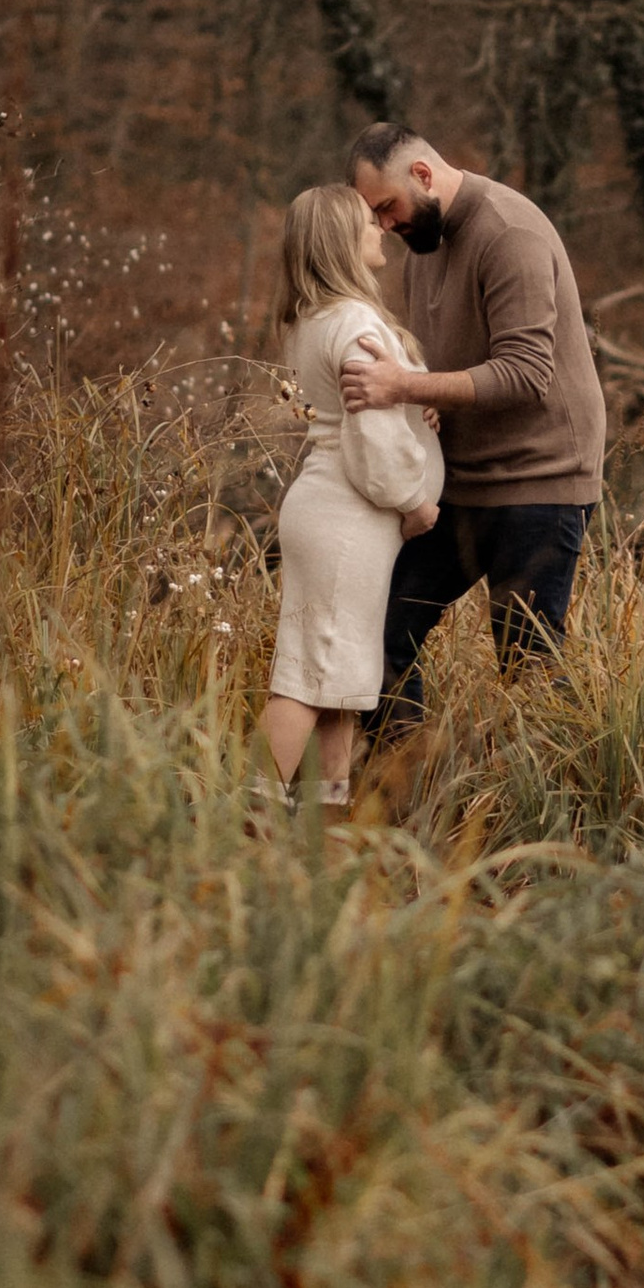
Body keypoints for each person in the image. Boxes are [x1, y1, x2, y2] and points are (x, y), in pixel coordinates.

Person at [340, 120, 604, 720]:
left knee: (529, 670)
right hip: (458, 486)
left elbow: (525, 373)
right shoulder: (424, 244)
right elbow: (451, 364)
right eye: (375, 215)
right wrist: (428, 393)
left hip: (540, 481)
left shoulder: (509, 232)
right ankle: (405, 773)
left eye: (387, 206)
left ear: (423, 175)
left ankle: (562, 781)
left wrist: (404, 386)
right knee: (379, 635)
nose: (385, 225)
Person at [262, 182, 445, 809]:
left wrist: (421, 403)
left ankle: (325, 825)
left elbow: (374, 408)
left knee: (339, 681)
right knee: (308, 675)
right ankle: (242, 815)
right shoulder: (357, 322)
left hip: (332, 511)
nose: (381, 228)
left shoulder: (314, 320)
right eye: (369, 222)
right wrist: (413, 502)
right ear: (341, 240)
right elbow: (372, 435)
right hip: (349, 517)